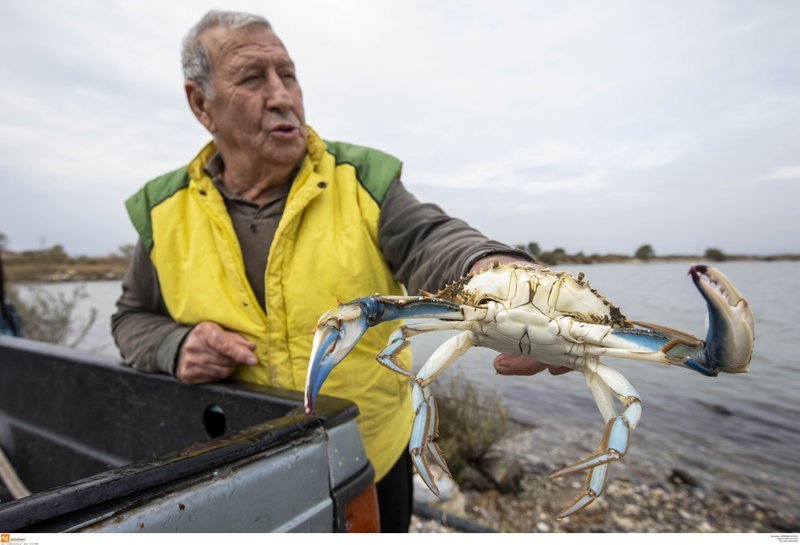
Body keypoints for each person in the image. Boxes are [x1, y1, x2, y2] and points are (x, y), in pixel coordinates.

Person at [112, 10, 567, 532]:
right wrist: (175, 347)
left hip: (369, 457)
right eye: (253, 78)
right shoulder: (162, 211)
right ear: (200, 103)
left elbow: (431, 240)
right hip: (231, 467)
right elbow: (130, 320)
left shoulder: (362, 181)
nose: (282, 96)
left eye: (288, 74)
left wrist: (508, 280)